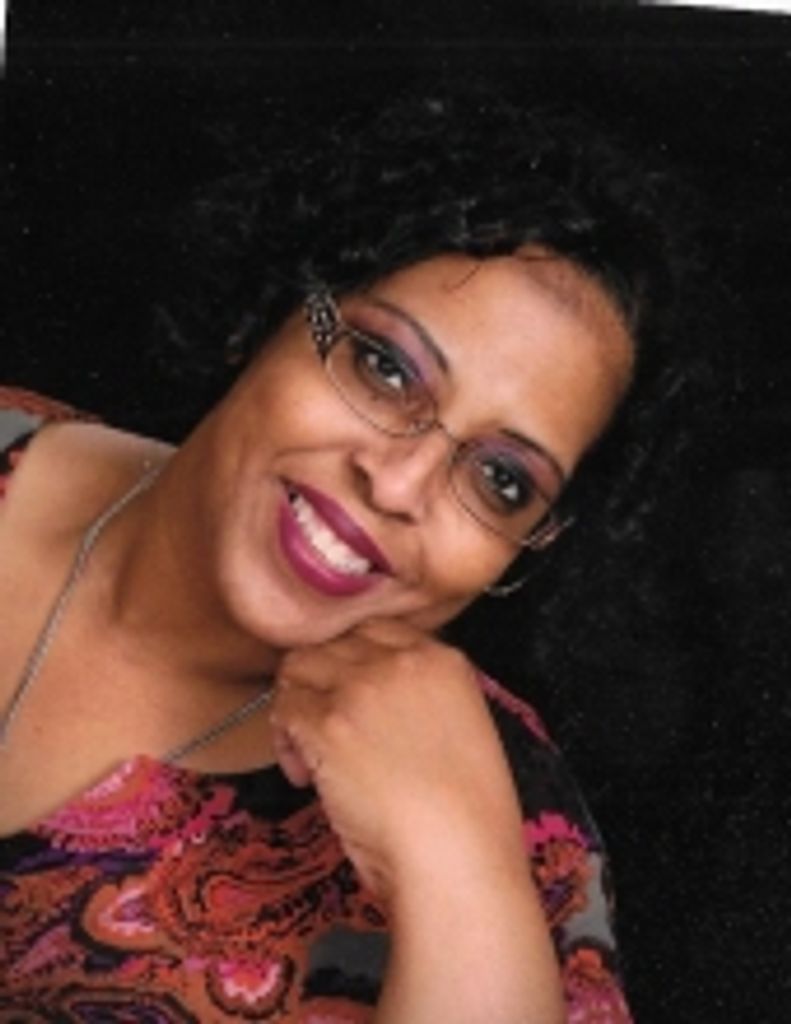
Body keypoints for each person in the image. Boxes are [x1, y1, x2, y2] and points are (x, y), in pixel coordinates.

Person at [0, 94, 700, 1022]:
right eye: (386, 368)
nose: (399, 484)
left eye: (499, 479)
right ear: (273, 308)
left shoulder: (518, 831)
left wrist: (453, 865)